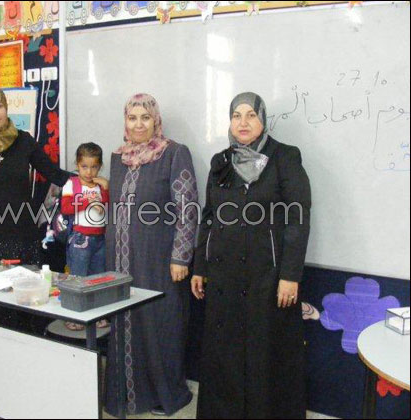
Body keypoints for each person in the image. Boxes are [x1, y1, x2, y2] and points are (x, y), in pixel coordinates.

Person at [191, 92, 311, 419]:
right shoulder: (221, 161)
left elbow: (298, 218)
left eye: (251, 115)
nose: (243, 123)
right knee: (225, 356)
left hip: (266, 278)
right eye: (236, 116)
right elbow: (209, 217)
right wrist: (200, 266)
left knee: (263, 355)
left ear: (263, 119)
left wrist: (290, 275)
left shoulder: (284, 157)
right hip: (224, 276)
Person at [104, 93, 198, 416]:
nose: (138, 124)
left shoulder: (174, 153)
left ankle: (166, 395)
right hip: (120, 259)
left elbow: (187, 208)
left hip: (159, 259)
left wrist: (181, 256)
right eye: (132, 118)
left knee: (161, 324)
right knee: (125, 323)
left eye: (145, 117)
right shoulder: (118, 157)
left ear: (156, 120)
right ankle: (127, 396)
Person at [0, 86, 71, 264]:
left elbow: (54, 173)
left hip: (23, 235)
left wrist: (87, 180)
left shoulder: (23, 141)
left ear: (6, 108)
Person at [61, 142, 110, 331]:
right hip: (80, 238)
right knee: (77, 278)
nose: (89, 172)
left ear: (100, 166)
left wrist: (106, 189)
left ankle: (96, 315)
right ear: (77, 164)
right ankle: (74, 316)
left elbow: (108, 207)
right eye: (84, 167)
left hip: (100, 238)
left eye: (94, 167)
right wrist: (89, 202)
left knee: (98, 278)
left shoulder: (100, 185)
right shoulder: (72, 183)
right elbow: (66, 208)